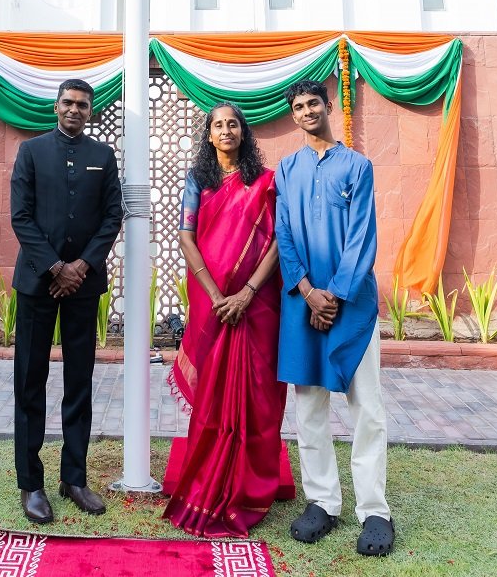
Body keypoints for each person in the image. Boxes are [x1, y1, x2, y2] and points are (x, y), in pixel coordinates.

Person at [275, 79, 394, 557]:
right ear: (293, 115)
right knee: (309, 408)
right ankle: (322, 502)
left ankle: (375, 511)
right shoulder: (287, 169)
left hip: (352, 305)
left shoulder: (357, 166)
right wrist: (307, 291)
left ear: (328, 107)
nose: (306, 111)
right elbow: (284, 233)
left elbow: (362, 236)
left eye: (313, 104)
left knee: (366, 407)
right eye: (298, 107)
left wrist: (335, 296)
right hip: (303, 304)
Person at [164, 102, 286, 538]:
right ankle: (212, 474)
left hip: (257, 306)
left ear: (244, 132)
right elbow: (186, 235)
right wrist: (218, 296)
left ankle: (251, 485)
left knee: (257, 391)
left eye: (233, 123)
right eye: (218, 125)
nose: (227, 130)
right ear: (209, 135)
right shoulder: (198, 180)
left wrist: (247, 293)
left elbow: (277, 241)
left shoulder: (266, 182)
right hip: (212, 304)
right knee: (215, 391)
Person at [11, 78, 122, 525]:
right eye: (68, 103)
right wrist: (56, 267)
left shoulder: (103, 156)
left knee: (80, 382)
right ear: (56, 107)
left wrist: (80, 268)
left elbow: (113, 215)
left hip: (84, 286)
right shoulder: (31, 152)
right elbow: (20, 215)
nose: (74, 110)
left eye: (82, 104)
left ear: (90, 111)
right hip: (39, 284)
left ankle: (74, 478)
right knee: (30, 383)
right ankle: (31, 483)